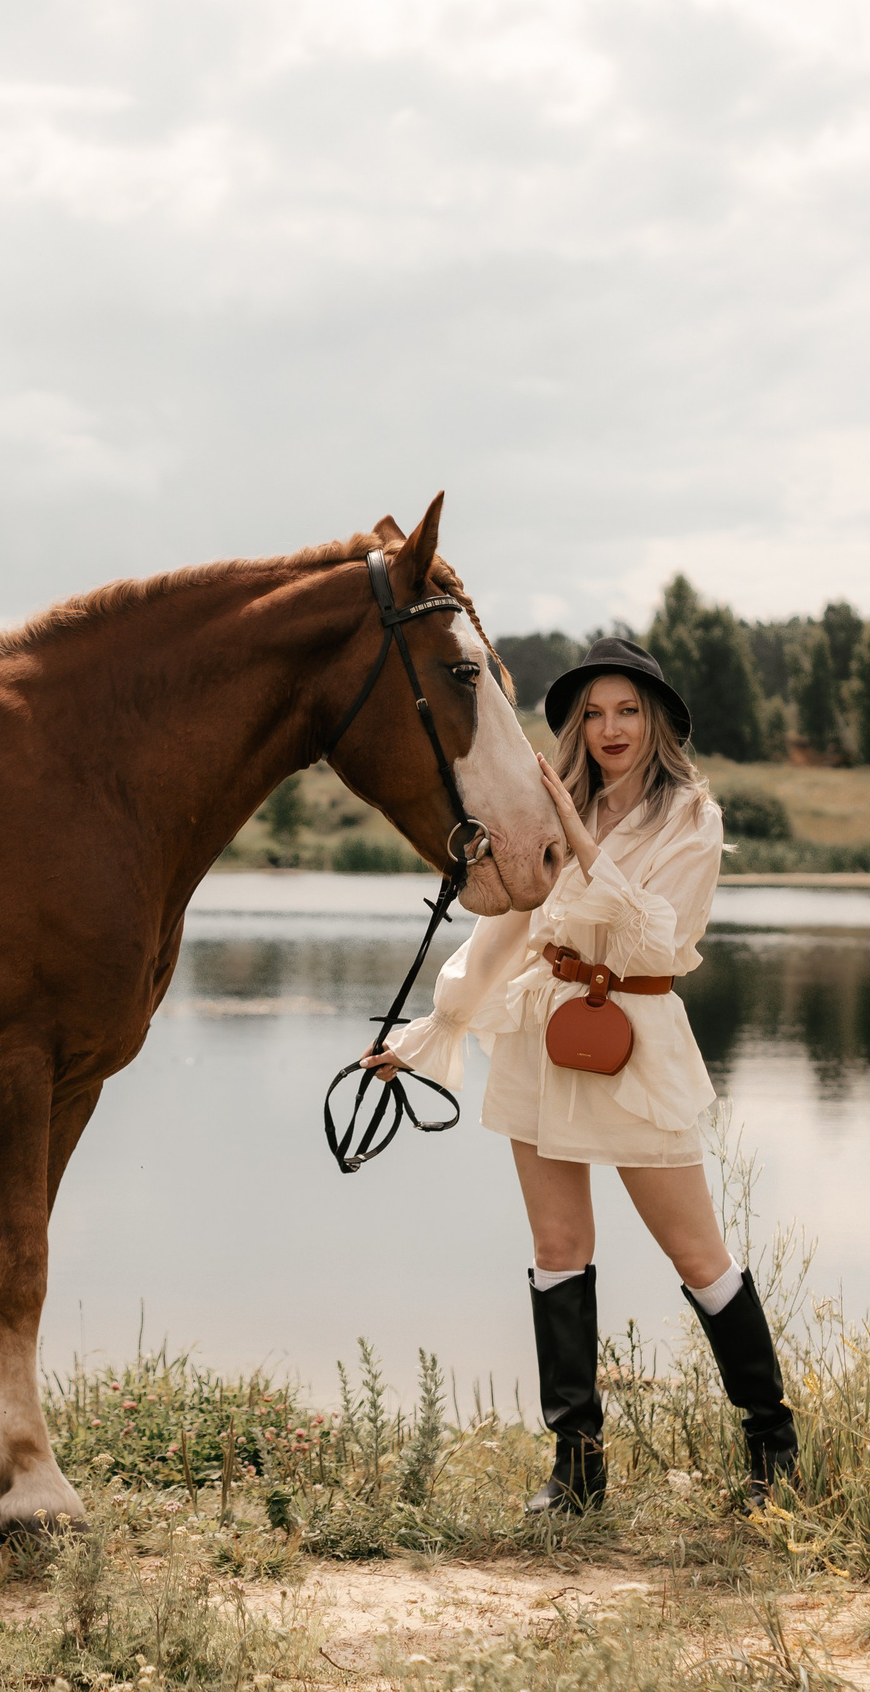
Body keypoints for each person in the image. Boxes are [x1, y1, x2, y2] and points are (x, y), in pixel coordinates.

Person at [360, 639, 796, 1513]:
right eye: (592, 714)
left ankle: (772, 1447)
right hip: (542, 1033)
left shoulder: (691, 816)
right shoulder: (553, 812)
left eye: (626, 710)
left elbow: (660, 940)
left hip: (637, 1043)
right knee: (558, 1252)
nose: (609, 729)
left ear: (657, 718)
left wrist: (584, 840)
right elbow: (508, 935)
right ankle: (578, 1467)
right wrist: (427, 1031)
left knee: (698, 1253)